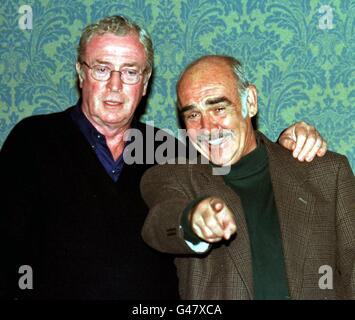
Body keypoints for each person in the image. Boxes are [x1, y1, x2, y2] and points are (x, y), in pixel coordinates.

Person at [0, 15, 327, 300]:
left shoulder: (168, 149)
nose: (115, 85)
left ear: (145, 83)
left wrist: (286, 143)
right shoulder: (33, 140)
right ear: (80, 73)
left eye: (130, 72)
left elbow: (235, 161)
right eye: (102, 69)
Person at [140, 55, 355, 300]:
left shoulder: (326, 173)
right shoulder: (175, 178)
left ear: (250, 102)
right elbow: (159, 223)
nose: (207, 128)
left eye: (219, 108)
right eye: (193, 115)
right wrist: (191, 221)